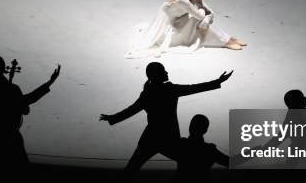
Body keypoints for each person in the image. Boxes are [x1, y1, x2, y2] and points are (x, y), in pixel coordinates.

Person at [99, 62, 233, 175]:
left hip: (151, 137)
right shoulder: (170, 90)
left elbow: (131, 110)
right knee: (186, 162)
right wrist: (217, 82)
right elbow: (194, 88)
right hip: (169, 138)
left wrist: (113, 118)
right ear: (157, 75)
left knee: (131, 168)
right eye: (163, 70)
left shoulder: (147, 93)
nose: (167, 72)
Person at [125, 0, 246, 58]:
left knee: (201, 19)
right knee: (196, 20)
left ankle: (227, 38)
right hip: (167, 28)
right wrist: (205, 13)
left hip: (177, 19)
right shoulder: (183, 0)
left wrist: (207, 12)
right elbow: (201, 16)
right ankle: (224, 42)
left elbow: (208, 12)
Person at [171, 114, 229, 183]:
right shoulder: (209, 150)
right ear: (205, 130)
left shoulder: (181, 145)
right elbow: (229, 161)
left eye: (192, 124)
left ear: (190, 127)